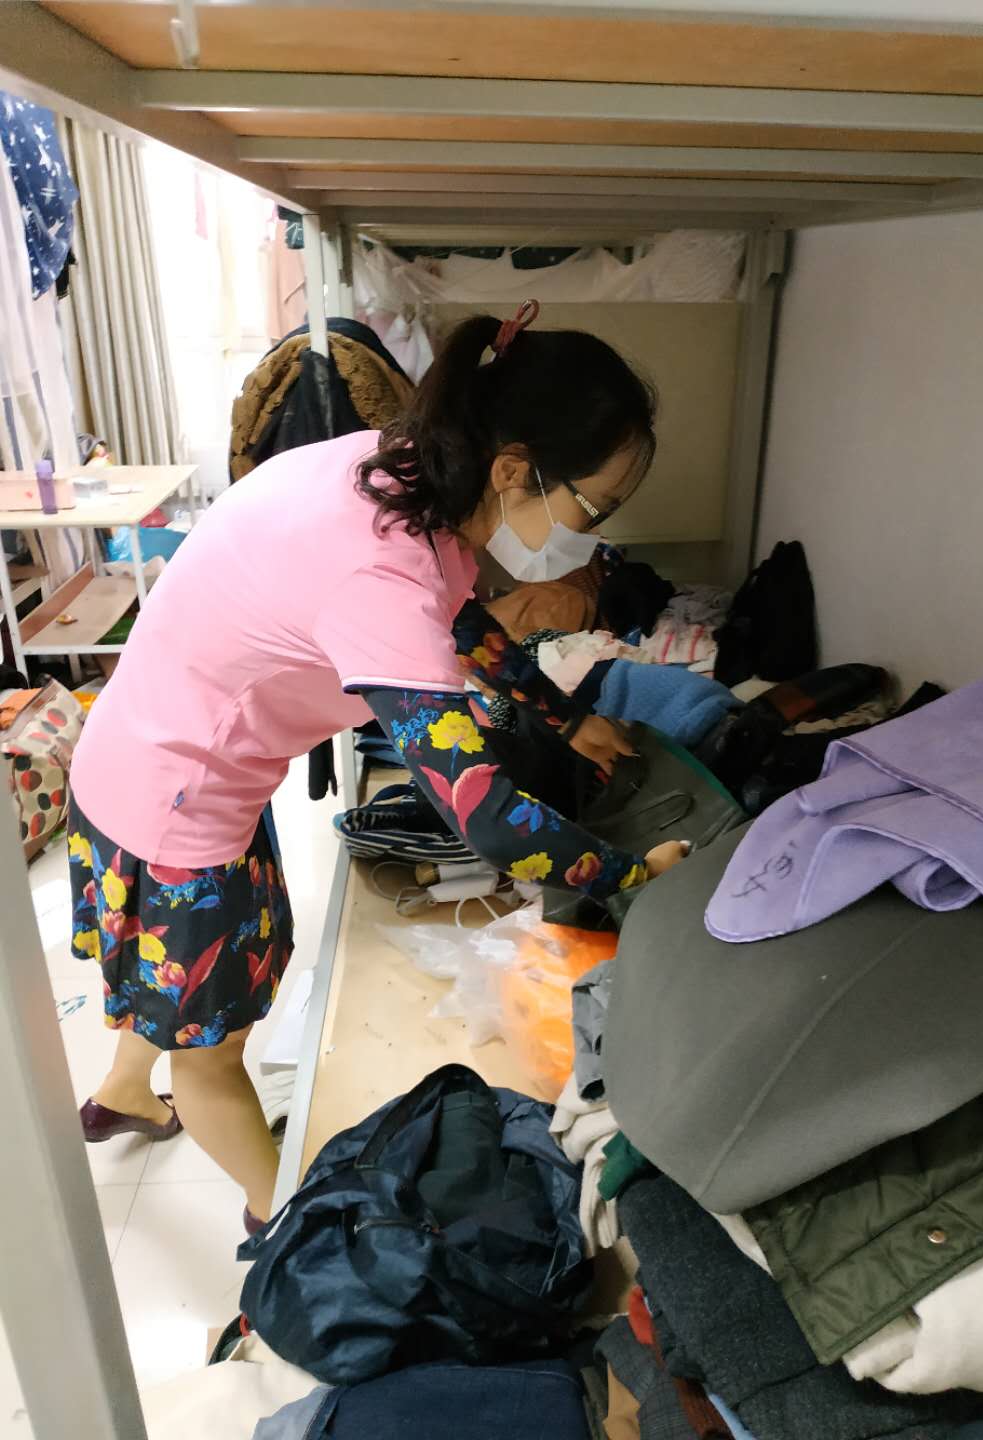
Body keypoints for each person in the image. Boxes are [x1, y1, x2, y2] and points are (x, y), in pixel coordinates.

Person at [67, 305, 687, 1231]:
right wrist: (631, 875)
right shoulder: (381, 573)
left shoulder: (401, 471)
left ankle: (123, 1091)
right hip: (172, 810)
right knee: (211, 1058)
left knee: (178, 993)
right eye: (592, 508)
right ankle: (286, 1229)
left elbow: (459, 619)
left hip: (154, 760)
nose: (593, 537)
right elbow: (485, 815)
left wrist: (567, 721)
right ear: (513, 469)